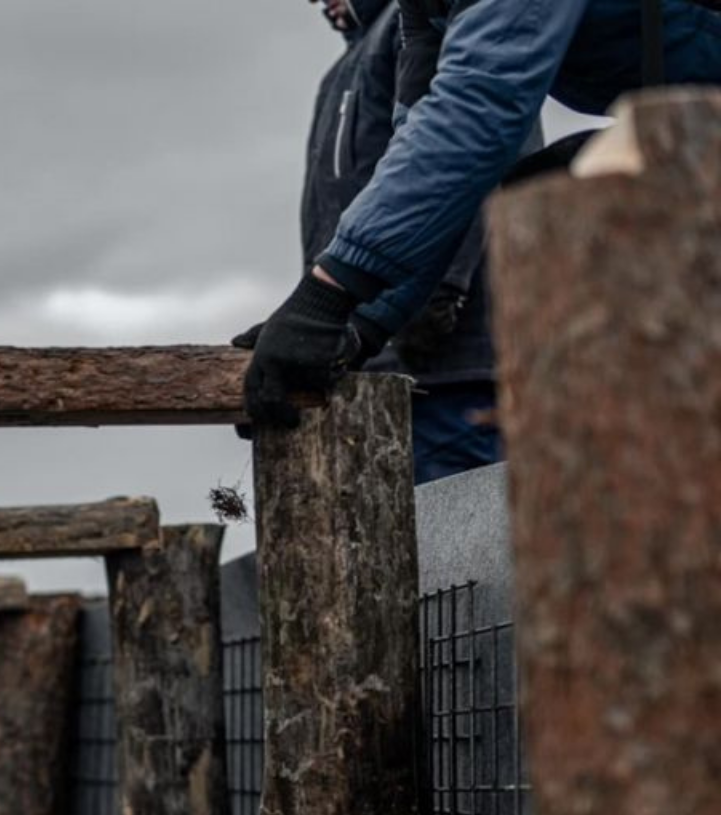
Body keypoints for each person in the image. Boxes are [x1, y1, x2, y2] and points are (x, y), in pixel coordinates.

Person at [237, 0, 721, 430]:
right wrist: (357, 326)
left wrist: (326, 294)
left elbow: (478, 106)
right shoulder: (426, 11)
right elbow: (432, 156)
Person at [271, 0, 524, 480]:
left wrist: (442, 291)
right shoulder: (341, 71)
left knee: (460, 530)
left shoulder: (422, 26)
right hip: (372, 359)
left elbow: (468, 150)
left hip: (449, 364)